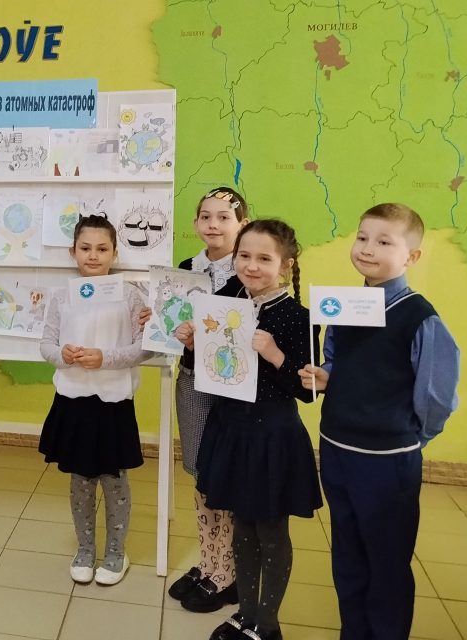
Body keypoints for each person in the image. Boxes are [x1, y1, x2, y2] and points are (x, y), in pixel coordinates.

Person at [301, 203, 459, 640]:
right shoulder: (345, 305)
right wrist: (326, 376)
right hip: (337, 450)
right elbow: (337, 361)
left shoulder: (419, 317)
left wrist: (408, 440)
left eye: (384, 241)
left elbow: (437, 398)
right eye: (362, 237)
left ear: (412, 256)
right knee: (348, 556)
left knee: (387, 563)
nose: (367, 249)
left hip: (388, 462)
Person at [177, 219, 322, 640]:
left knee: (270, 531)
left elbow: (307, 391)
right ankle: (246, 613)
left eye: (264, 258)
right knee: (241, 526)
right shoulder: (227, 302)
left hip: (270, 439)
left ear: (286, 264)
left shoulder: (298, 318)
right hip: (231, 430)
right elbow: (207, 365)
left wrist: (275, 354)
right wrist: (192, 344)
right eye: (244, 256)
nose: (251, 266)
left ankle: (267, 624)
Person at [38, 214, 152, 587]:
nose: (93, 255)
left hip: (113, 401)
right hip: (73, 399)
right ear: (73, 252)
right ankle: (85, 548)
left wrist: (106, 358)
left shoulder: (130, 296)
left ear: (114, 253)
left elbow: (145, 348)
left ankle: (116, 552)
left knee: (114, 480)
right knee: (81, 480)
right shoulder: (62, 296)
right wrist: (62, 354)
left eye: (102, 249)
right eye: (85, 248)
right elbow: (46, 344)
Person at [164, 187, 247, 612]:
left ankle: (228, 571)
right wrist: (158, 321)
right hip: (193, 381)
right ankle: (209, 560)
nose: (213, 225)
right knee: (199, 473)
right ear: (196, 222)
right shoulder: (185, 270)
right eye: (205, 216)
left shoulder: (248, 272)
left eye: (224, 217)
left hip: (231, 392)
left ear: (242, 224)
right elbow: (173, 325)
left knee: (225, 475)